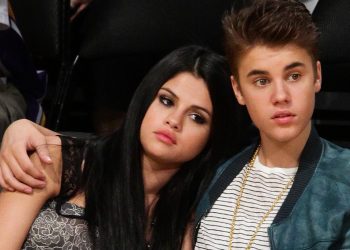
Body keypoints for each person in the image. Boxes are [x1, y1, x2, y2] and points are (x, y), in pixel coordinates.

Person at [0, 45, 243, 249]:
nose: (174, 121)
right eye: (166, 101)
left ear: (213, 137)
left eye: (197, 117)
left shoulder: (185, 217)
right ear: (145, 98)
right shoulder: (56, 160)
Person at [194, 0, 350, 249]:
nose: (281, 95)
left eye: (294, 76)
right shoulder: (214, 172)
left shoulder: (344, 181)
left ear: (317, 76)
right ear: (238, 90)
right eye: (262, 81)